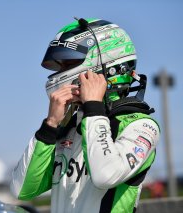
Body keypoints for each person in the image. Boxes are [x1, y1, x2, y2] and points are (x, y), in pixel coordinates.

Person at [10, 17, 160, 213]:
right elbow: (20, 189)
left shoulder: (141, 126)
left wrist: (94, 107)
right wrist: (51, 124)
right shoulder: (70, 126)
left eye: (68, 64)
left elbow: (105, 174)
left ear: (105, 64)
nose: (61, 73)